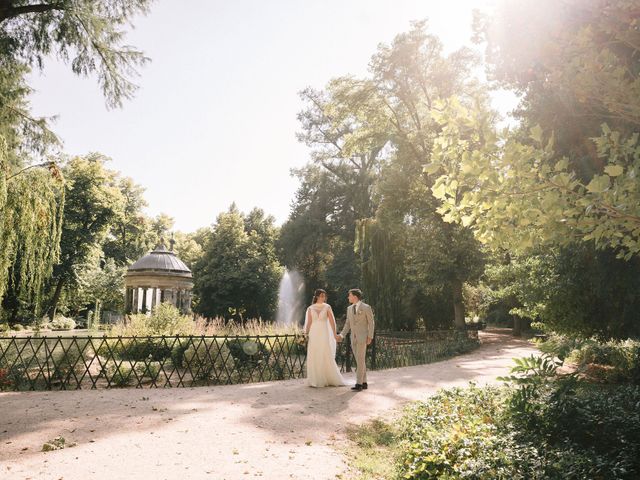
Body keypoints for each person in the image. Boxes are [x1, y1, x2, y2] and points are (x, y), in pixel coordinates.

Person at [304, 289, 346, 387]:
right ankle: (315, 379)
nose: (324, 297)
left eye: (324, 296)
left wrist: (335, 334)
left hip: (323, 332)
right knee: (314, 353)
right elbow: (309, 322)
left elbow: (332, 322)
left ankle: (328, 378)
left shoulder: (327, 307)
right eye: (322, 296)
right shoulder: (310, 308)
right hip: (313, 333)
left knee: (324, 352)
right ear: (317, 296)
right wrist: (305, 334)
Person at [337, 289, 374, 391]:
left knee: (360, 360)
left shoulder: (366, 307)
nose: (348, 297)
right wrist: (341, 335)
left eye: (349, 295)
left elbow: (371, 323)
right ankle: (364, 382)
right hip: (353, 337)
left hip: (363, 338)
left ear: (355, 296)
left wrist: (370, 336)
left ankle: (359, 384)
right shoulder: (349, 309)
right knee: (359, 360)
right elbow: (347, 324)